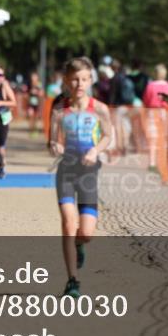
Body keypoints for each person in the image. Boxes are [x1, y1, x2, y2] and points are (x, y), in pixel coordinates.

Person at [48, 57, 112, 298]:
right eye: (75, 79)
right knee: (68, 223)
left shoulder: (100, 109)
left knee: (86, 233)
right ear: (66, 81)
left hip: (88, 175)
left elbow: (107, 136)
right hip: (66, 173)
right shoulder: (59, 110)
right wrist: (55, 147)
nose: (80, 84)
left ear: (91, 80)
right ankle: (72, 281)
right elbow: (52, 141)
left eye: (85, 79)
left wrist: (95, 150)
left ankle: (79, 244)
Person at [142, 64, 168, 171]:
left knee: (152, 138)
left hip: (152, 111)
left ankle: (152, 163)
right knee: (164, 137)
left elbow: (146, 100)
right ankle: (163, 161)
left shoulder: (150, 86)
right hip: (165, 112)